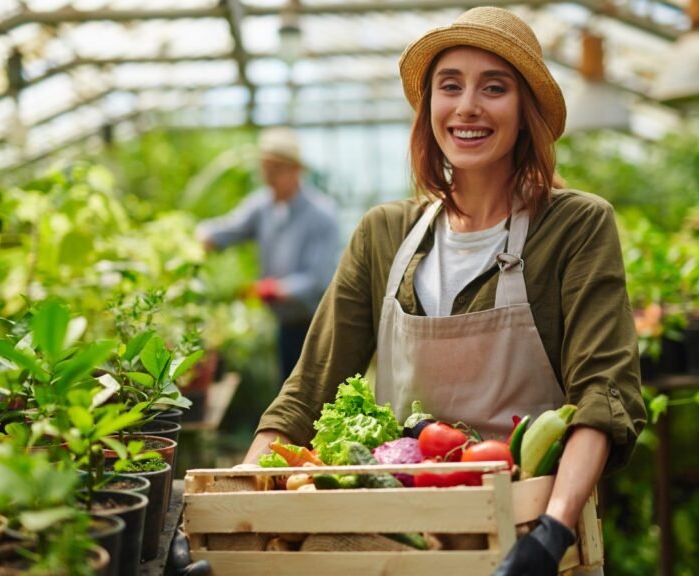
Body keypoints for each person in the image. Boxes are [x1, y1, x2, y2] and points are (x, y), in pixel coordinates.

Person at [242, 8, 646, 575]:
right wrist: (224, 509)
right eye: (449, 85)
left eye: (494, 87)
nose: (467, 106)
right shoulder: (384, 234)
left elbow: (604, 394)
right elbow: (305, 394)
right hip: (398, 539)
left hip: (527, 529)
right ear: (428, 104)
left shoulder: (574, 226)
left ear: (525, 110)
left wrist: (553, 531)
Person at [195, 127, 340, 383]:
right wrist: (198, 236)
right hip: (286, 322)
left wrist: (276, 289)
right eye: (265, 169)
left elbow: (319, 278)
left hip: (318, 325)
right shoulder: (263, 206)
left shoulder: (322, 214)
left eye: (276, 170)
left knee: (316, 391)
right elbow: (230, 229)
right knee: (289, 387)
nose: (269, 178)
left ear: (296, 170)